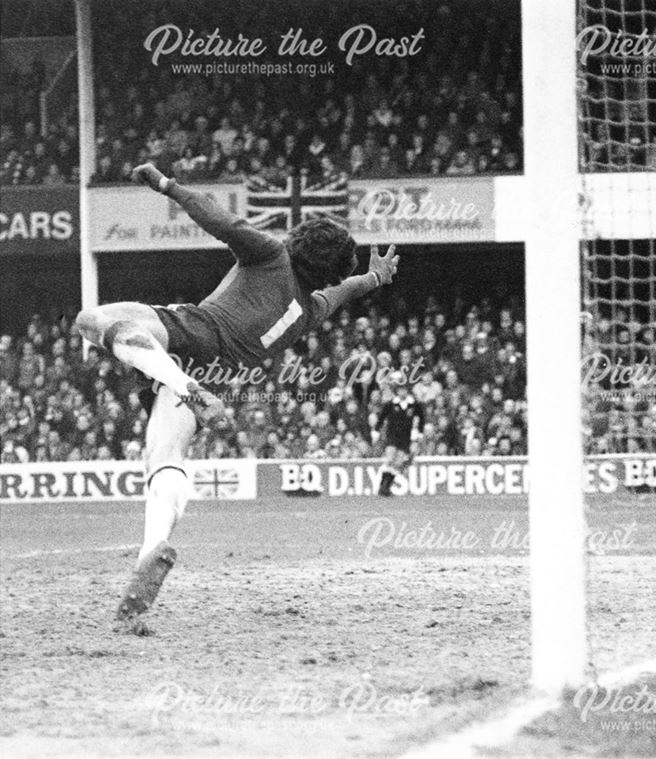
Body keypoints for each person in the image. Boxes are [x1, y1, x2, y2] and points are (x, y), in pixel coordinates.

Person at [74, 162, 398, 626]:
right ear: (327, 273)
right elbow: (345, 291)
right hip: (219, 375)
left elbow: (219, 219)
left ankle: (180, 382)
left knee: (92, 321)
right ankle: (150, 553)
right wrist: (375, 279)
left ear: (298, 241)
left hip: (195, 333)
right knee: (165, 456)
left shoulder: (271, 256)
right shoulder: (311, 310)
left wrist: (167, 185)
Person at [375, 378, 423, 496]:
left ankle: (385, 487)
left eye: (404, 390)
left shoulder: (414, 404)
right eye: (400, 390)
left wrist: (420, 433)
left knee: (398, 463)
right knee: (390, 458)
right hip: (392, 436)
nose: (402, 392)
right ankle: (381, 483)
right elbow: (381, 417)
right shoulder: (391, 404)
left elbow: (422, 418)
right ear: (397, 391)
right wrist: (376, 430)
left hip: (405, 437)